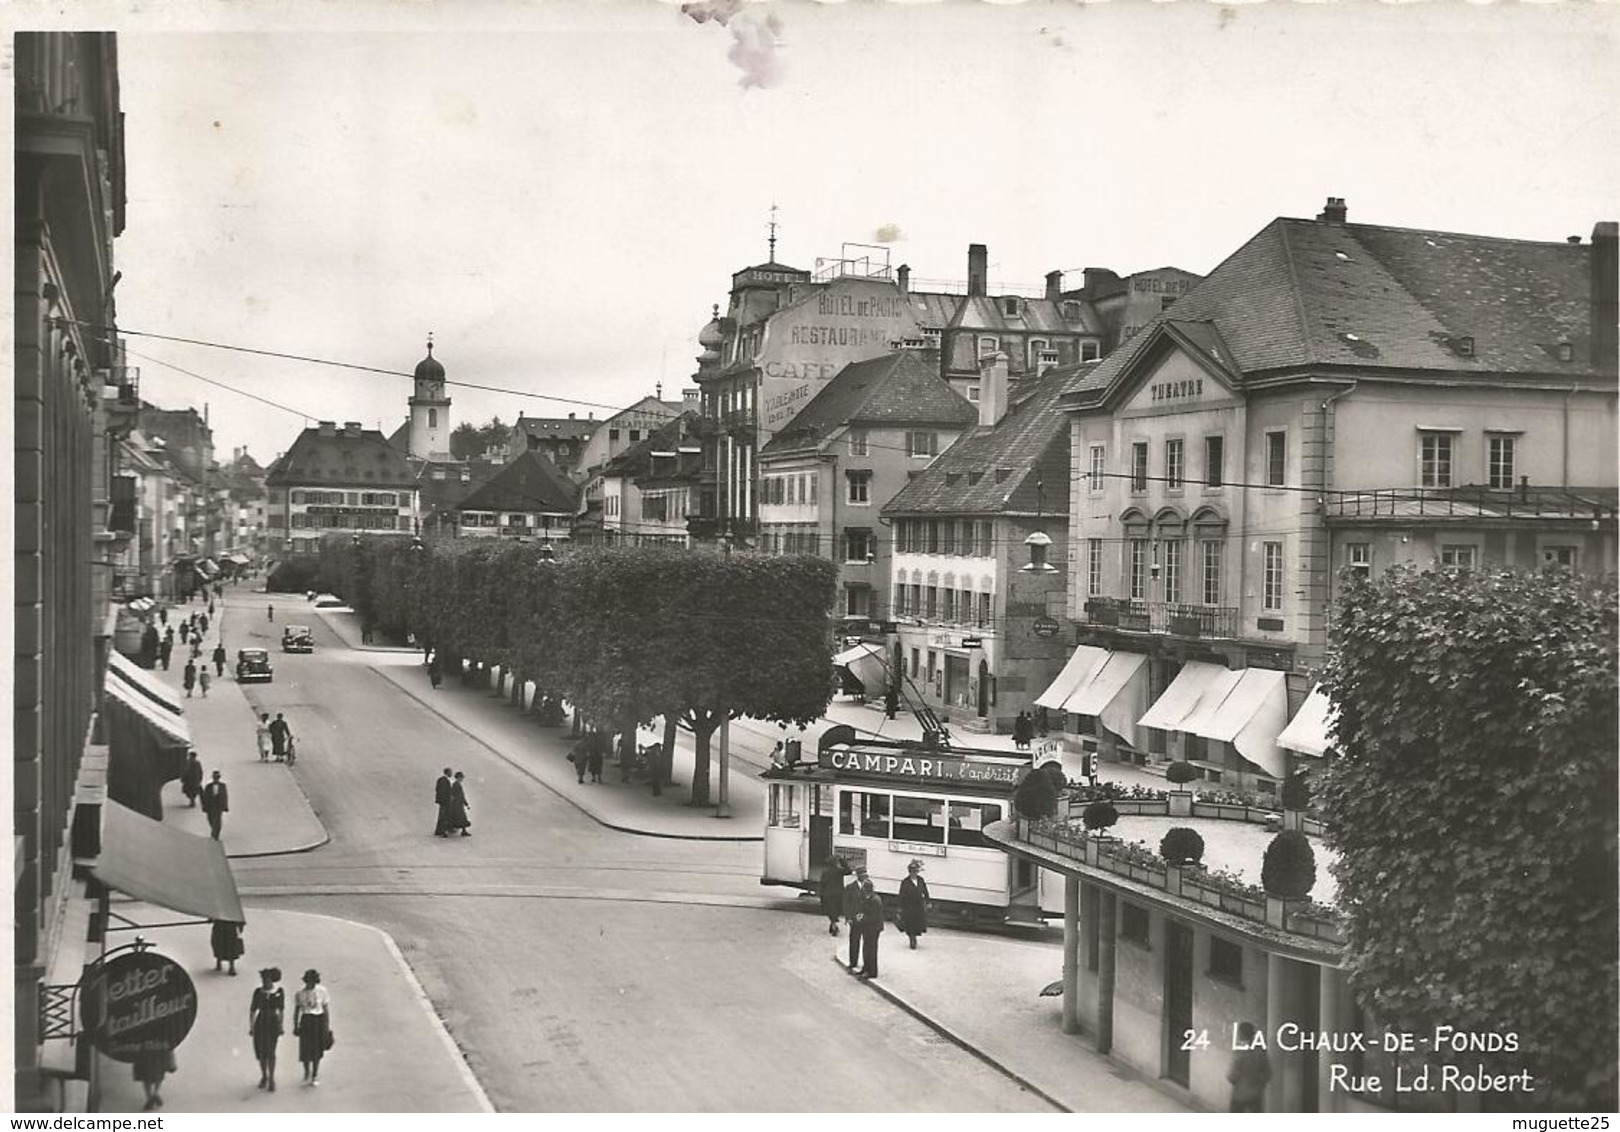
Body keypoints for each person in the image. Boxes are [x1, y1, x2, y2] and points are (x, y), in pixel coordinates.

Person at [293, 969, 332, 1086]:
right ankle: (306, 1072)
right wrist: (295, 1025)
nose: (311, 984)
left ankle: (315, 1073)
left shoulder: (322, 991)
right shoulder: (300, 994)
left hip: (318, 1020)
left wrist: (326, 1025)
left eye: (313, 982)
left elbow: (325, 1009)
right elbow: (297, 1011)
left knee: (316, 1050)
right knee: (305, 1049)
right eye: (309, 982)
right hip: (306, 1020)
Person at [250, 967, 286, 1091]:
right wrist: (251, 1027)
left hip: (272, 1023)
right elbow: (253, 1010)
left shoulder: (279, 992)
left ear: (272, 980)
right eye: (263, 980)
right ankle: (264, 1075)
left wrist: (281, 1025)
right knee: (261, 1053)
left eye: (267, 980)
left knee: (271, 1052)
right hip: (260, 1023)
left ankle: (271, 1078)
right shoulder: (258, 992)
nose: (265, 982)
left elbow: (281, 1010)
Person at [1228, 1021, 1272, 1111]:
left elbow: (1232, 1076)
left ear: (1242, 1034)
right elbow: (1268, 1073)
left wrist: (1232, 1078)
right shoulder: (1260, 1051)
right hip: (1256, 1094)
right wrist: (1260, 1084)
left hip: (1239, 1094)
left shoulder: (1240, 1051)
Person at [898, 859, 932, 950]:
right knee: (910, 923)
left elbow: (925, 891)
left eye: (915, 871)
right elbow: (901, 895)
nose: (913, 873)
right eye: (912, 872)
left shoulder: (921, 880)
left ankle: (915, 936)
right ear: (909, 872)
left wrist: (928, 901)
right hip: (909, 906)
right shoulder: (905, 882)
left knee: (917, 923)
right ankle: (912, 939)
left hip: (918, 905)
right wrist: (901, 907)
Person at [855, 879, 885, 980]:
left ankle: (872, 971)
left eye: (864, 888)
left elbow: (875, 917)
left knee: (871, 950)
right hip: (867, 927)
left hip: (873, 928)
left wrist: (863, 918)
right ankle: (866, 968)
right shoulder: (868, 898)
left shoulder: (875, 900)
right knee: (866, 948)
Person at [842, 865, 870, 971]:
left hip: (866, 919)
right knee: (854, 941)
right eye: (863, 875)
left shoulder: (869, 886)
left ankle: (866, 965)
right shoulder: (850, 887)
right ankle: (852, 962)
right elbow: (846, 904)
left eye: (866, 875)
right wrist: (848, 918)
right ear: (858, 876)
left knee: (867, 943)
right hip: (855, 919)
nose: (865, 877)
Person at [818, 854, 848, 936]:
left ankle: (833, 925)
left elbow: (822, 884)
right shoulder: (839, 871)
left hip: (827, 894)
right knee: (836, 910)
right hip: (838, 894)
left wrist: (821, 895)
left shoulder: (825, 872)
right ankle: (834, 926)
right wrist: (843, 861)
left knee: (831, 910)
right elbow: (848, 871)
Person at [201, 771, 229, 840]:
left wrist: (225, 806)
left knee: (218, 820)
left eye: (217, 778)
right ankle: (213, 829)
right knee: (210, 819)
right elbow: (205, 797)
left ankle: (216, 834)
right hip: (210, 806)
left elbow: (225, 796)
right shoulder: (208, 786)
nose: (216, 779)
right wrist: (204, 807)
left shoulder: (223, 786)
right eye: (215, 778)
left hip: (218, 806)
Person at [447, 771, 471, 836]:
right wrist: (465, 804)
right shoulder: (456, 784)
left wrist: (466, 804)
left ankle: (462, 830)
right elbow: (454, 795)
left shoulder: (456, 784)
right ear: (458, 777)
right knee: (461, 817)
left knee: (460, 817)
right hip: (457, 804)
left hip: (458, 804)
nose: (462, 779)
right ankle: (463, 831)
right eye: (461, 777)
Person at [434, 767, 454, 837]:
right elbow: (442, 791)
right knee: (444, 816)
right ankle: (442, 831)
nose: (452, 773)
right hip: (445, 801)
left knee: (442, 815)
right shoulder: (444, 780)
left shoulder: (443, 780)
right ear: (447, 773)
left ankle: (439, 830)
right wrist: (447, 799)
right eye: (451, 772)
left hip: (444, 801)